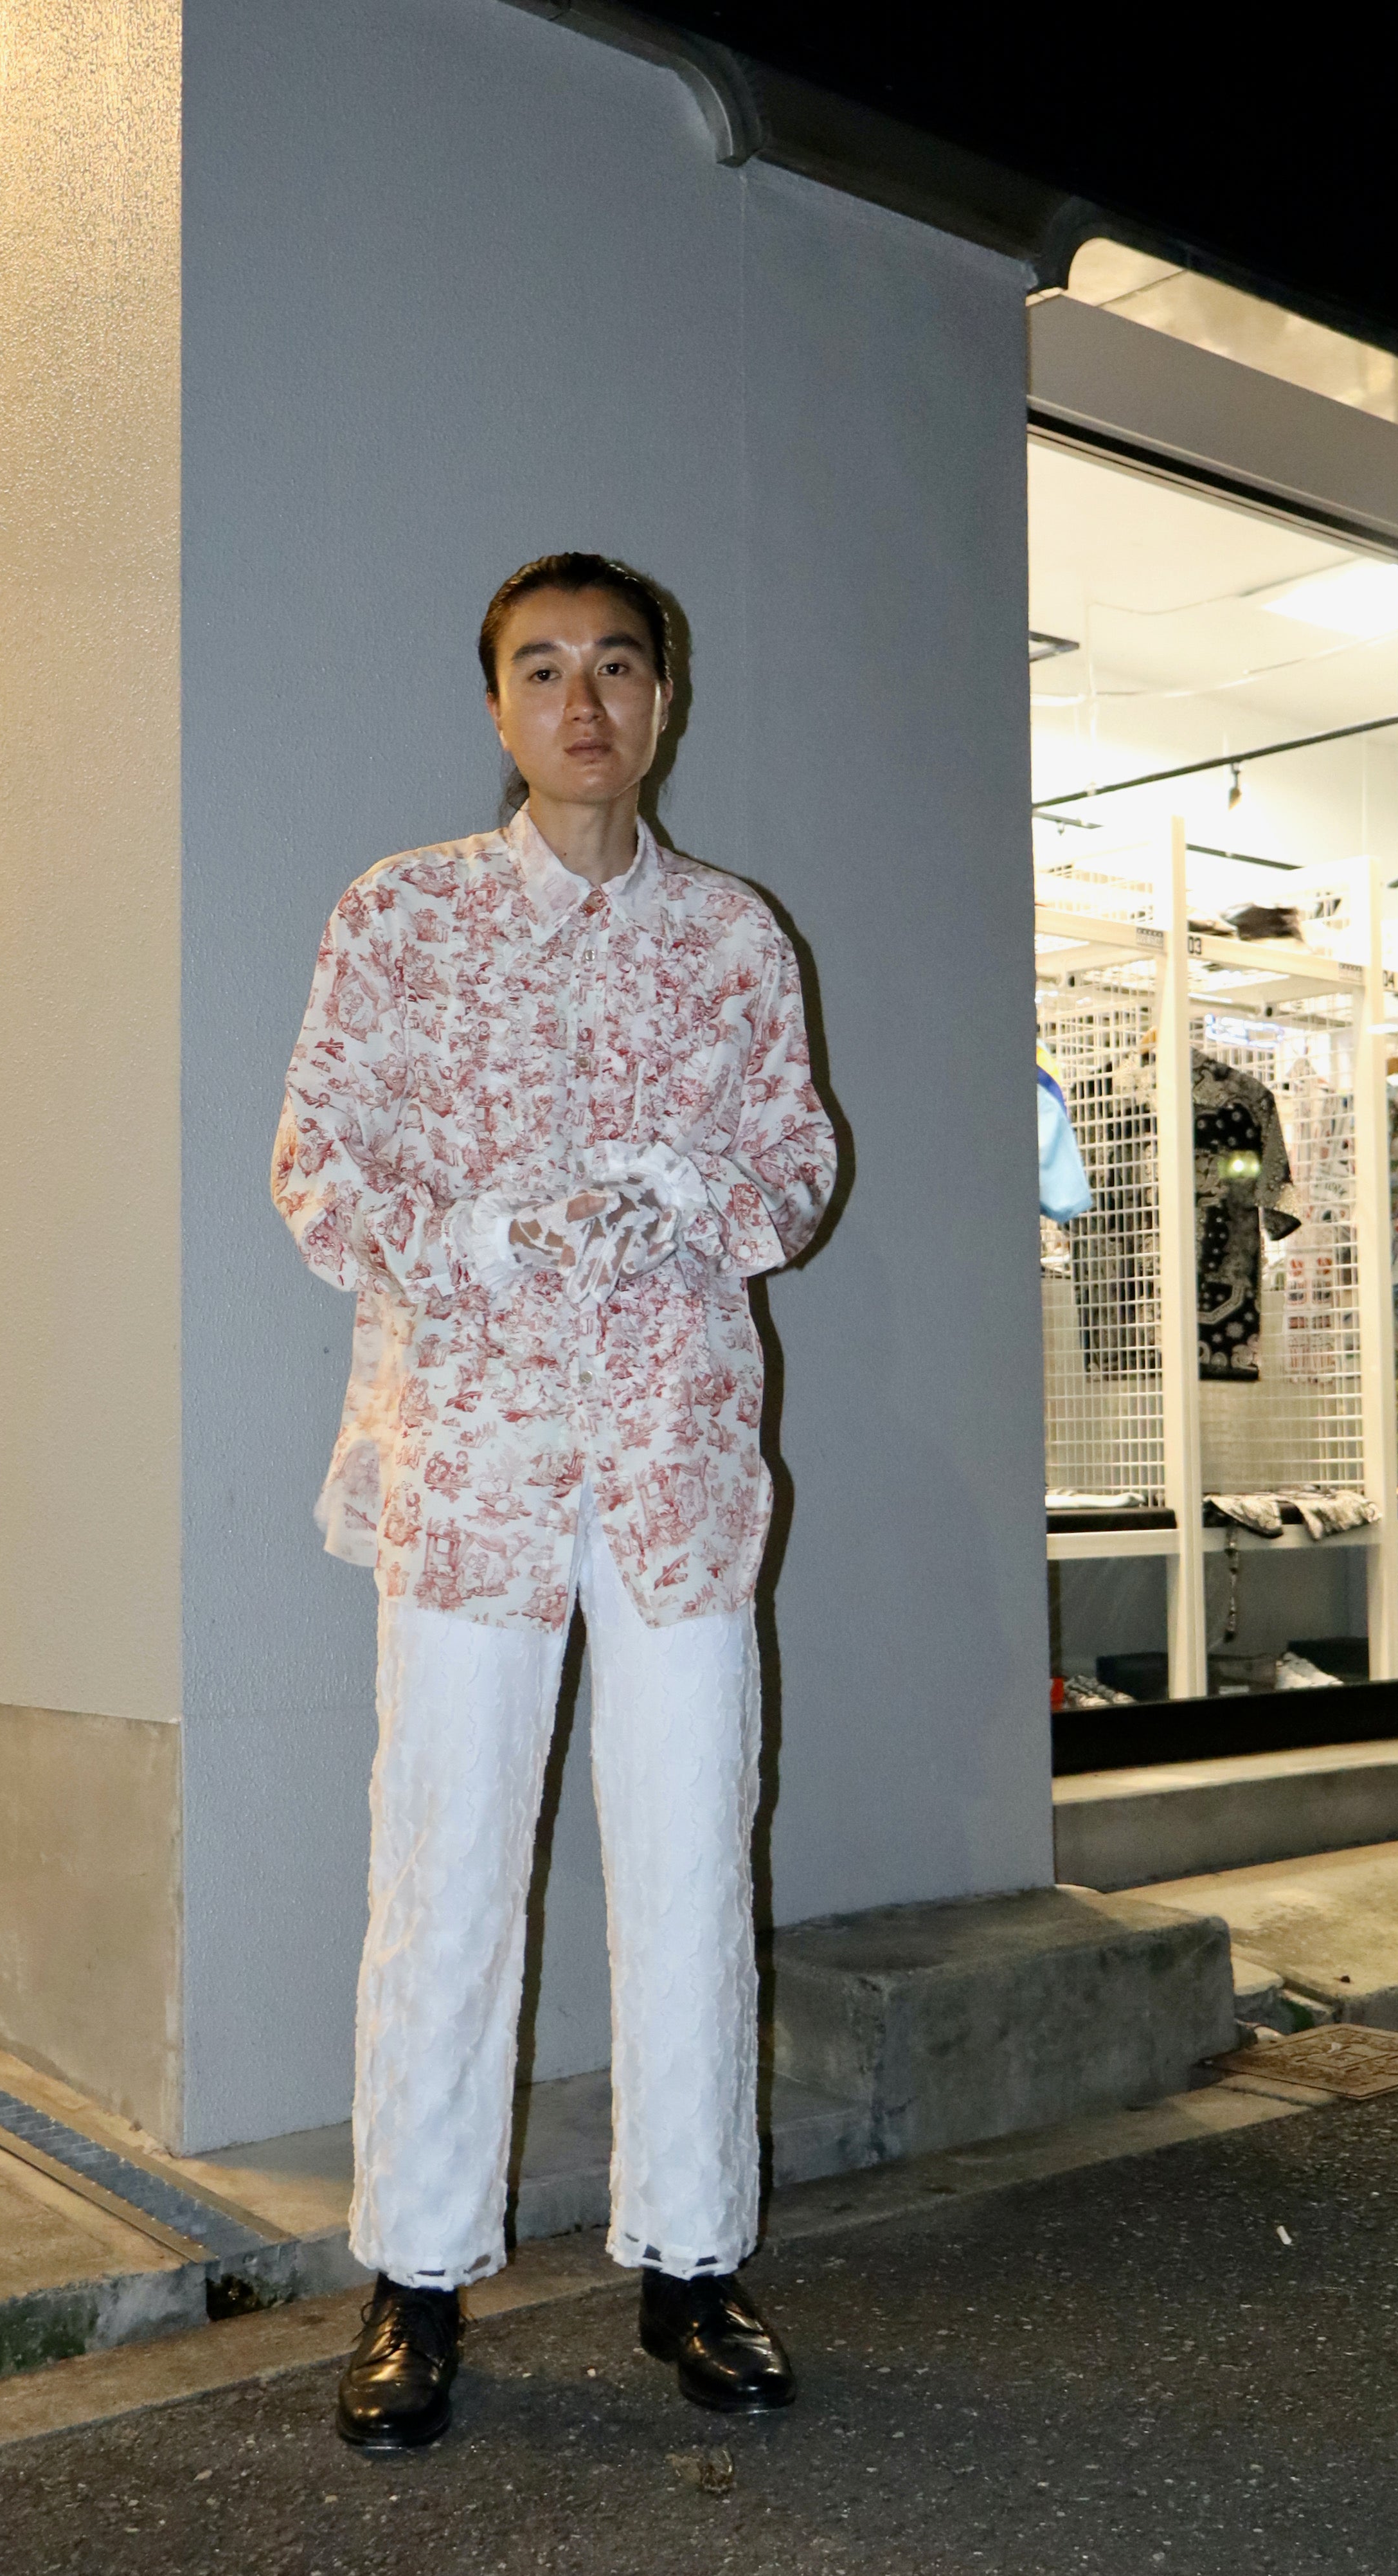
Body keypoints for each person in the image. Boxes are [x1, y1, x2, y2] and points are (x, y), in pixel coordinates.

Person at [272, 551, 837, 2451]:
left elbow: (797, 1166)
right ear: (498, 705)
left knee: (692, 1856)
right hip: (475, 1466)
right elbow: (316, 1159)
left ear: (663, 699)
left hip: (672, 1462)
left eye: (615, 666)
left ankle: (695, 2262)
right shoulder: (402, 916)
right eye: (542, 668)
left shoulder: (737, 939)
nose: (582, 701)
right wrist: (470, 1239)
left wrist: (703, 1201)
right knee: (443, 1866)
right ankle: (415, 2280)